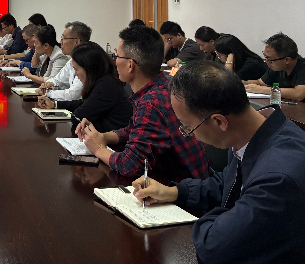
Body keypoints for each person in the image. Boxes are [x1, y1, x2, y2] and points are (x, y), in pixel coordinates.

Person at [133, 62, 305, 264]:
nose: (190, 135)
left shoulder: (278, 178)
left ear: (219, 121)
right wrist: (174, 192)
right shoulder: (254, 131)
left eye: (188, 127)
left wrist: (224, 219)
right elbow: (228, 183)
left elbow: (213, 246)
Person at [76, 25, 209, 182]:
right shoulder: (162, 85)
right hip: (185, 181)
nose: (114, 61)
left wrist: (98, 148)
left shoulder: (152, 102)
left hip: (179, 190)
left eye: (117, 56)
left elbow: (129, 166)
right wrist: (102, 137)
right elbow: (134, 130)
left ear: (130, 65)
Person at [38, 43, 132, 132]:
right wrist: (54, 104)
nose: (76, 74)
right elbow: (84, 103)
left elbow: (78, 117)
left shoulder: (106, 85)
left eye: (76, 69)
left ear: (89, 68)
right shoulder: (104, 80)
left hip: (115, 141)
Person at [244, 32, 305, 107]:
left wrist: (261, 89)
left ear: (287, 60)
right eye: (265, 56)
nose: (266, 61)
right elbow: (260, 82)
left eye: (270, 59)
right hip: (290, 107)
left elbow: (298, 94)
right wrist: (240, 83)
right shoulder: (277, 66)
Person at [39, 21, 92, 101]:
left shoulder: (86, 62)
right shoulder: (72, 60)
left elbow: (72, 95)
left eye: (63, 38)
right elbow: (57, 80)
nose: (60, 42)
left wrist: (48, 93)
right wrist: (48, 84)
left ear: (76, 41)